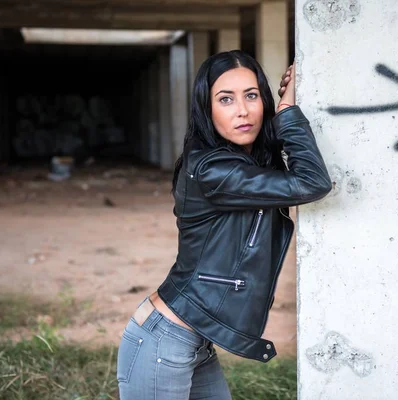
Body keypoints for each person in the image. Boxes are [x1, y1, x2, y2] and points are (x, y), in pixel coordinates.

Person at [116, 50, 332, 400]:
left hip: (193, 341)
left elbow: (282, 170)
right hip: (164, 340)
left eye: (251, 95)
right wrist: (288, 113)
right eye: (225, 99)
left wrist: (284, 111)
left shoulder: (240, 163)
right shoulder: (212, 171)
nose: (243, 110)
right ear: (207, 108)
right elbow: (312, 182)